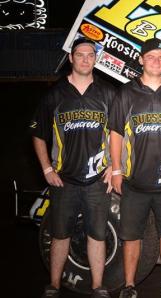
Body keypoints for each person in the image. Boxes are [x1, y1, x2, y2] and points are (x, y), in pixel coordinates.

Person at [31, 37, 116, 298]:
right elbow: (37, 133)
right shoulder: (54, 95)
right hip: (64, 180)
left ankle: (98, 287)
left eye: (90, 55)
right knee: (60, 234)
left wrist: (114, 165)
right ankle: (54, 285)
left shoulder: (107, 94)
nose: (85, 59)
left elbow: (118, 133)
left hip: (97, 180)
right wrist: (47, 169)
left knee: (97, 235)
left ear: (96, 59)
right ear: (71, 57)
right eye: (80, 54)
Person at [108, 37, 161, 298]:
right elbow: (116, 134)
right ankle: (129, 285)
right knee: (131, 236)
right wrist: (117, 170)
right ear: (141, 59)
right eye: (152, 56)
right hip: (135, 181)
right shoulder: (126, 92)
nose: (157, 61)